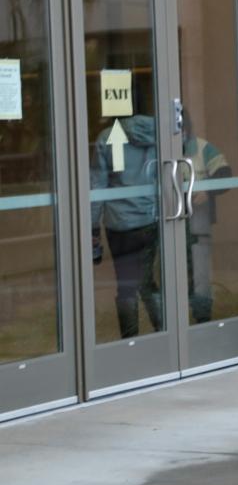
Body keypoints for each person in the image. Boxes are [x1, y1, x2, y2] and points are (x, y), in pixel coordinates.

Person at [90, 114, 163, 339]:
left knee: (127, 286)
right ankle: (165, 330)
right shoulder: (158, 132)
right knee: (147, 281)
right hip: (151, 218)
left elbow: (97, 186)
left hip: (120, 224)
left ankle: (130, 341)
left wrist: (93, 229)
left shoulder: (107, 137)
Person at [181, 110, 231, 323]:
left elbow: (224, 174)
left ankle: (202, 319)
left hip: (198, 219)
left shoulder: (201, 147)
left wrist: (208, 192)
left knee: (200, 273)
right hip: (172, 218)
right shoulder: (160, 148)